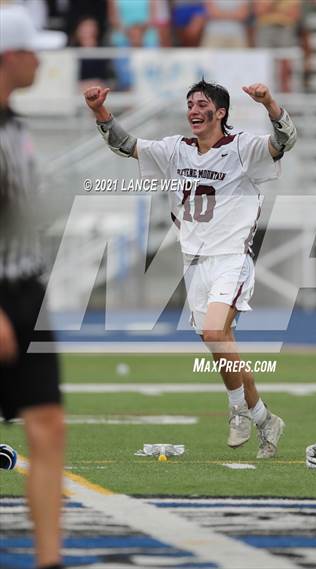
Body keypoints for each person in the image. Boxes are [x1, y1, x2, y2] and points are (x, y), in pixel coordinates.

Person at [84, 78, 296, 459]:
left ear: (221, 112)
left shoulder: (243, 148)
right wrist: (100, 112)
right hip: (194, 263)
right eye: (190, 104)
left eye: (201, 104)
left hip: (231, 258)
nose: (193, 111)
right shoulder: (175, 150)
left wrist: (269, 103)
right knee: (222, 344)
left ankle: (237, 412)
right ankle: (265, 419)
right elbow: (126, 144)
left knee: (216, 332)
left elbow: (284, 141)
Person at [0, 4, 66, 569]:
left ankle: (50, 561)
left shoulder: (14, 124)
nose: (40, 60)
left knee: (47, 425)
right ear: (9, 56)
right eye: (32, 50)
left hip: (27, 289)